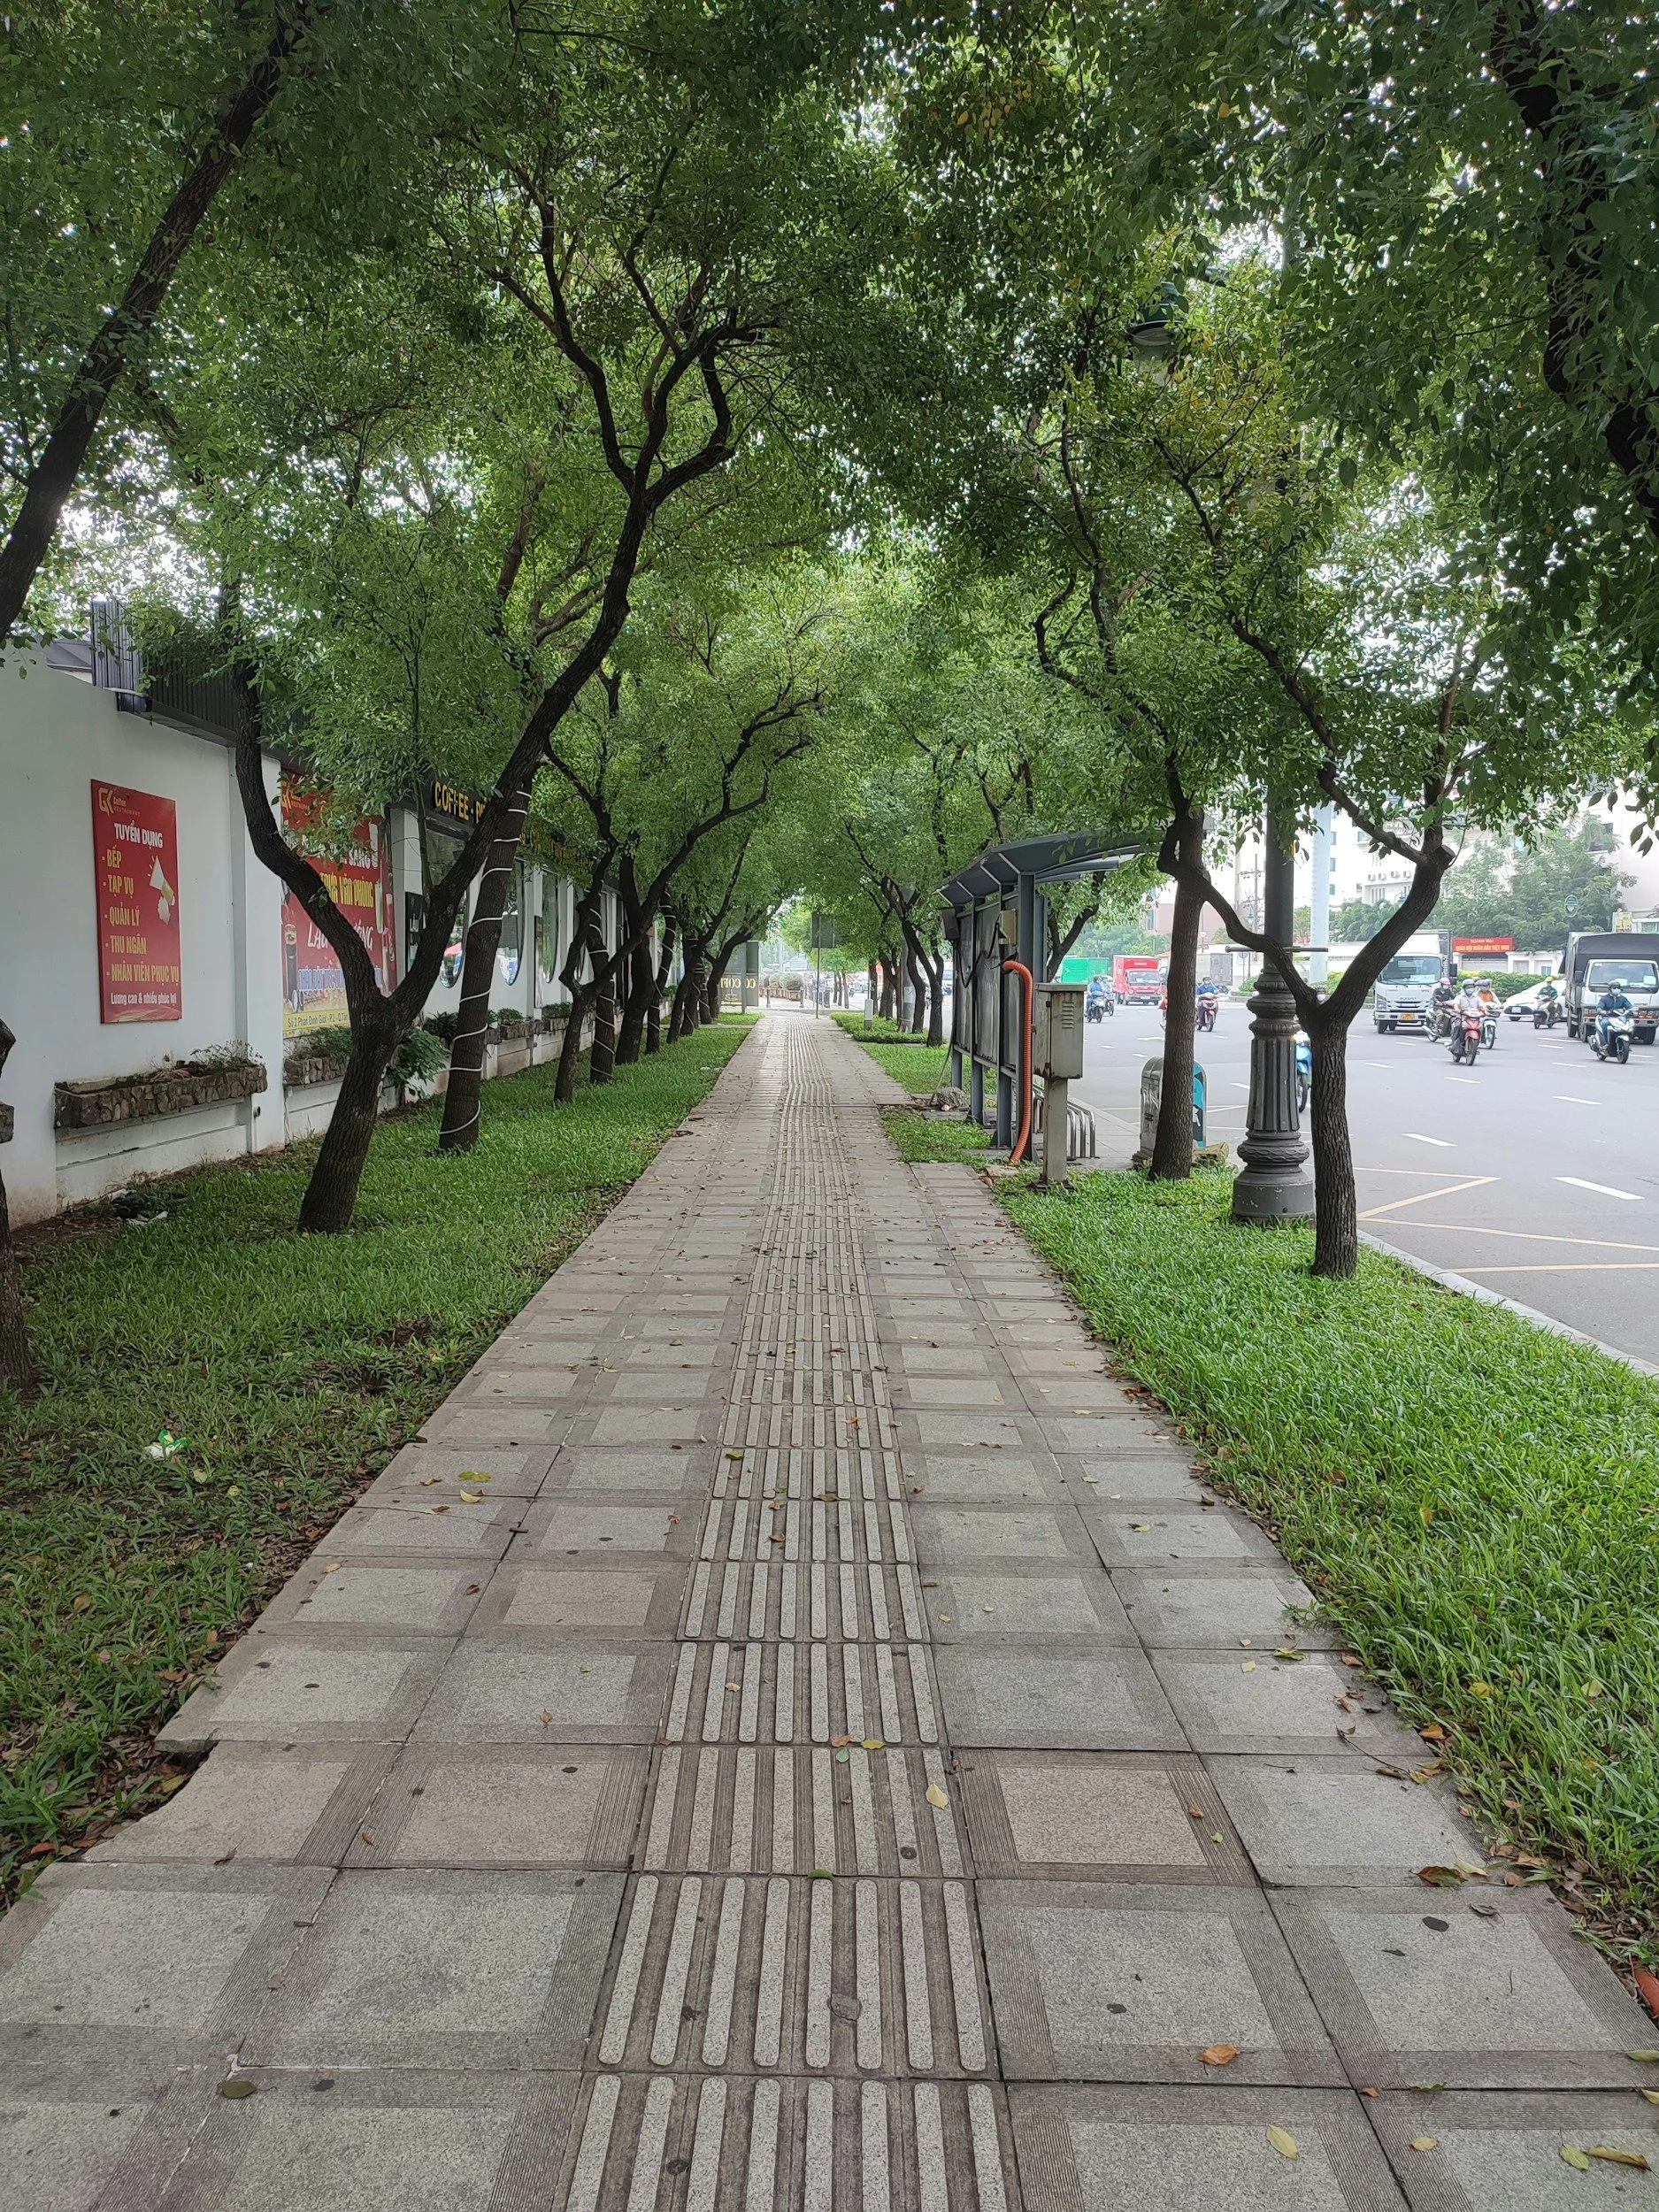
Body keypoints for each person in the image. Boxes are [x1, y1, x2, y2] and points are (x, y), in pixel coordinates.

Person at [1597, 979, 1635, 1052]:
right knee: (1604, 1023)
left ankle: (1627, 1043)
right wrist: (1602, 1011)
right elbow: (1599, 1007)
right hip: (1608, 1017)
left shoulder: (1623, 998)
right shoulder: (1604, 998)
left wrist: (1633, 1011)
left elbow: (1629, 1007)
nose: (1616, 989)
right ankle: (1606, 1043)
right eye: (1614, 988)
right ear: (1610, 989)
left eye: (1618, 988)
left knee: (1631, 1024)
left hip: (1620, 1018)